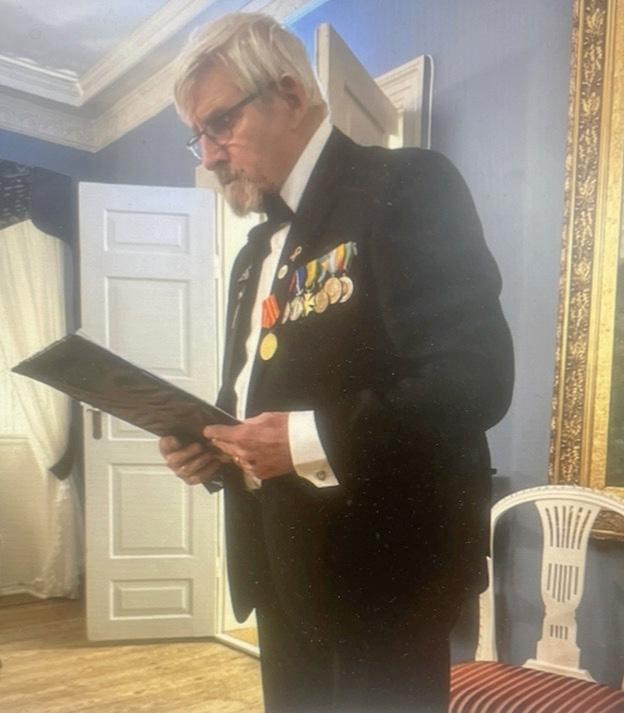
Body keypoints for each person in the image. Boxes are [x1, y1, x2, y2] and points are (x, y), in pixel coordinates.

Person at [160, 12, 514, 713]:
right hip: (277, 572)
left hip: (384, 581)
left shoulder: (407, 184)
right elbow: (260, 391)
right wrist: (215, 446)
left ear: (290, 95)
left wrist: (301, 439)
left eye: (220, 123)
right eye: (198, 136)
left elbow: (475, 377)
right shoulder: (253, 255)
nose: (209, 156)